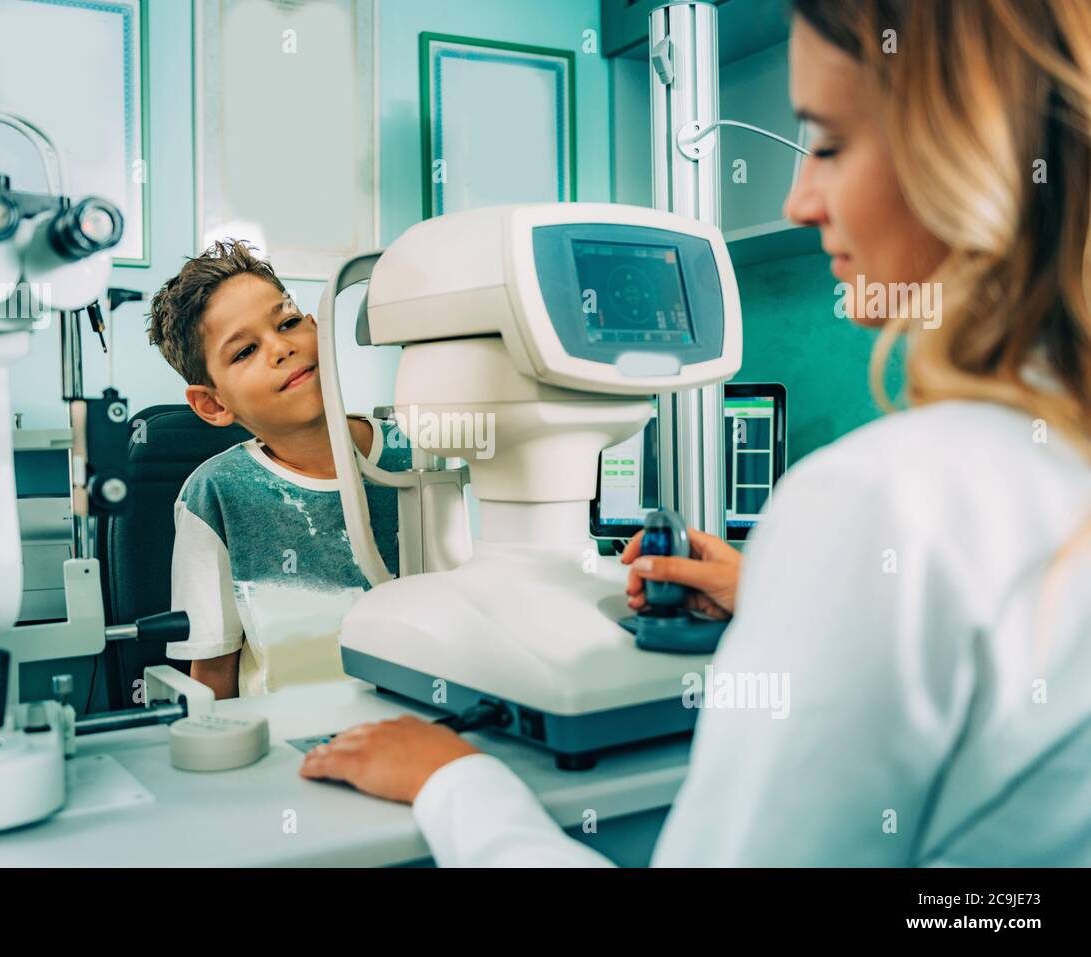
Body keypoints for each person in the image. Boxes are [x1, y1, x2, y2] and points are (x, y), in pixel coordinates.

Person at [299, 0, 1091, 866]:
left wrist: (457, 781)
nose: (797, 202)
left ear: (967, 155)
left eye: (828, 145)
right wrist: (795, 602)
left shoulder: (880, 500)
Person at [147, 240, 410, 698]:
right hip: (289, 747)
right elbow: (213, 677)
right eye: (245, 351)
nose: (281, 348)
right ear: (212, 403)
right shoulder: (216, 495)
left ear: (316, 329)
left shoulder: (424, 455)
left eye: (287, 323)